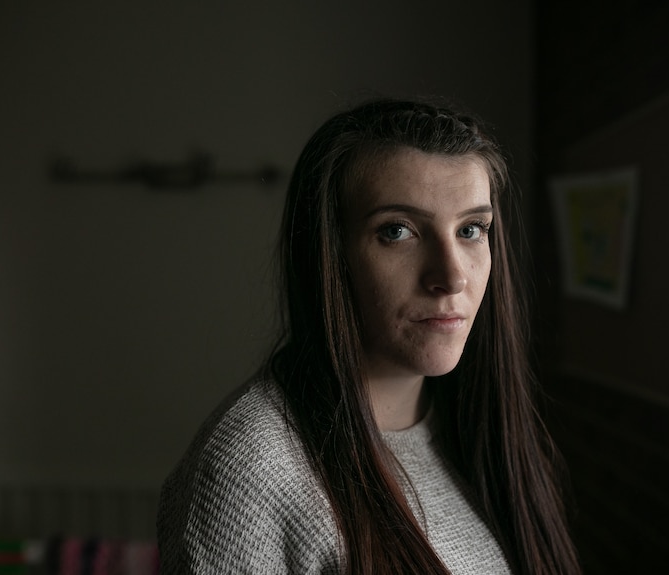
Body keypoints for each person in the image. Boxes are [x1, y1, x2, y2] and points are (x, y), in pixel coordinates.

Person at [156, 98, 580, 574]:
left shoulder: (484, 431)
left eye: (471, 229)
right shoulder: (252, 468)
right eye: (397, 230)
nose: (452, 277)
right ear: (327, 253)